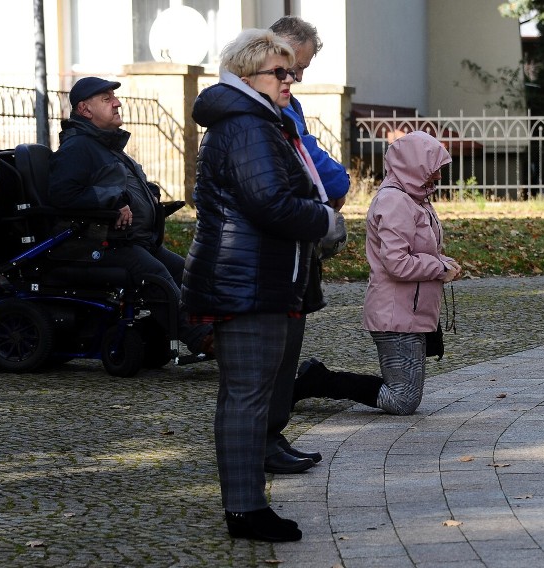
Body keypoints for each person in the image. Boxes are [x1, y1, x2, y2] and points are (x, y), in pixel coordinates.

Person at [181, 29, 344, 542]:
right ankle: (247, 512)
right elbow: (268, 203)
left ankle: (246, 508)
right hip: (246, 278)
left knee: (243, 396)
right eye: (281, 72)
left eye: (291, 72)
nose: (290, 81)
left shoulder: (251, 120)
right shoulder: (248, 125)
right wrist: (324, 221)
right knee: (247, 398)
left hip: (252, 275)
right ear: (247, 75)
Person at [293, 131, 462, 416]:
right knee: (402, 399)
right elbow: (397, 263)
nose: (439, 177)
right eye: (434, 169)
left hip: (411, 312)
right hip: (395, 315)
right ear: (415, 166)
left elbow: (417, 250)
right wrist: (438, 267)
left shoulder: (416, 199)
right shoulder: (395, 202)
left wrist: (444, 261)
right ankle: (317, 381)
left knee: (405, 394)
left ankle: (317, 379)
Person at [47, 77, 212, 357]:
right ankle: (202, 339)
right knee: (155, 276)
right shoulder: (78, 147)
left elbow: (114, 185)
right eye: (106, 98)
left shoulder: (106, 145)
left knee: (189, 272)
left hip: (133, 240)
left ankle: (218, 327)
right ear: (85, 110)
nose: (117, 102)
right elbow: (61, 196)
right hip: (96, 245)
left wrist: (149, 195)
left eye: (114, 97)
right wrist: (113, 203)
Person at [262, 15, 350, 475]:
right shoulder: (255, 116)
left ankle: (272, 437)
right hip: (269, 258)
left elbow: (311, 155)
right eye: (292, 68)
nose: (296, 79)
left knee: (286, 344)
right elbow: (288, 180)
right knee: (269, 355)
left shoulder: (281, 107)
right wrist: (322, 208)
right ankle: (262, 446)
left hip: (290, 253)